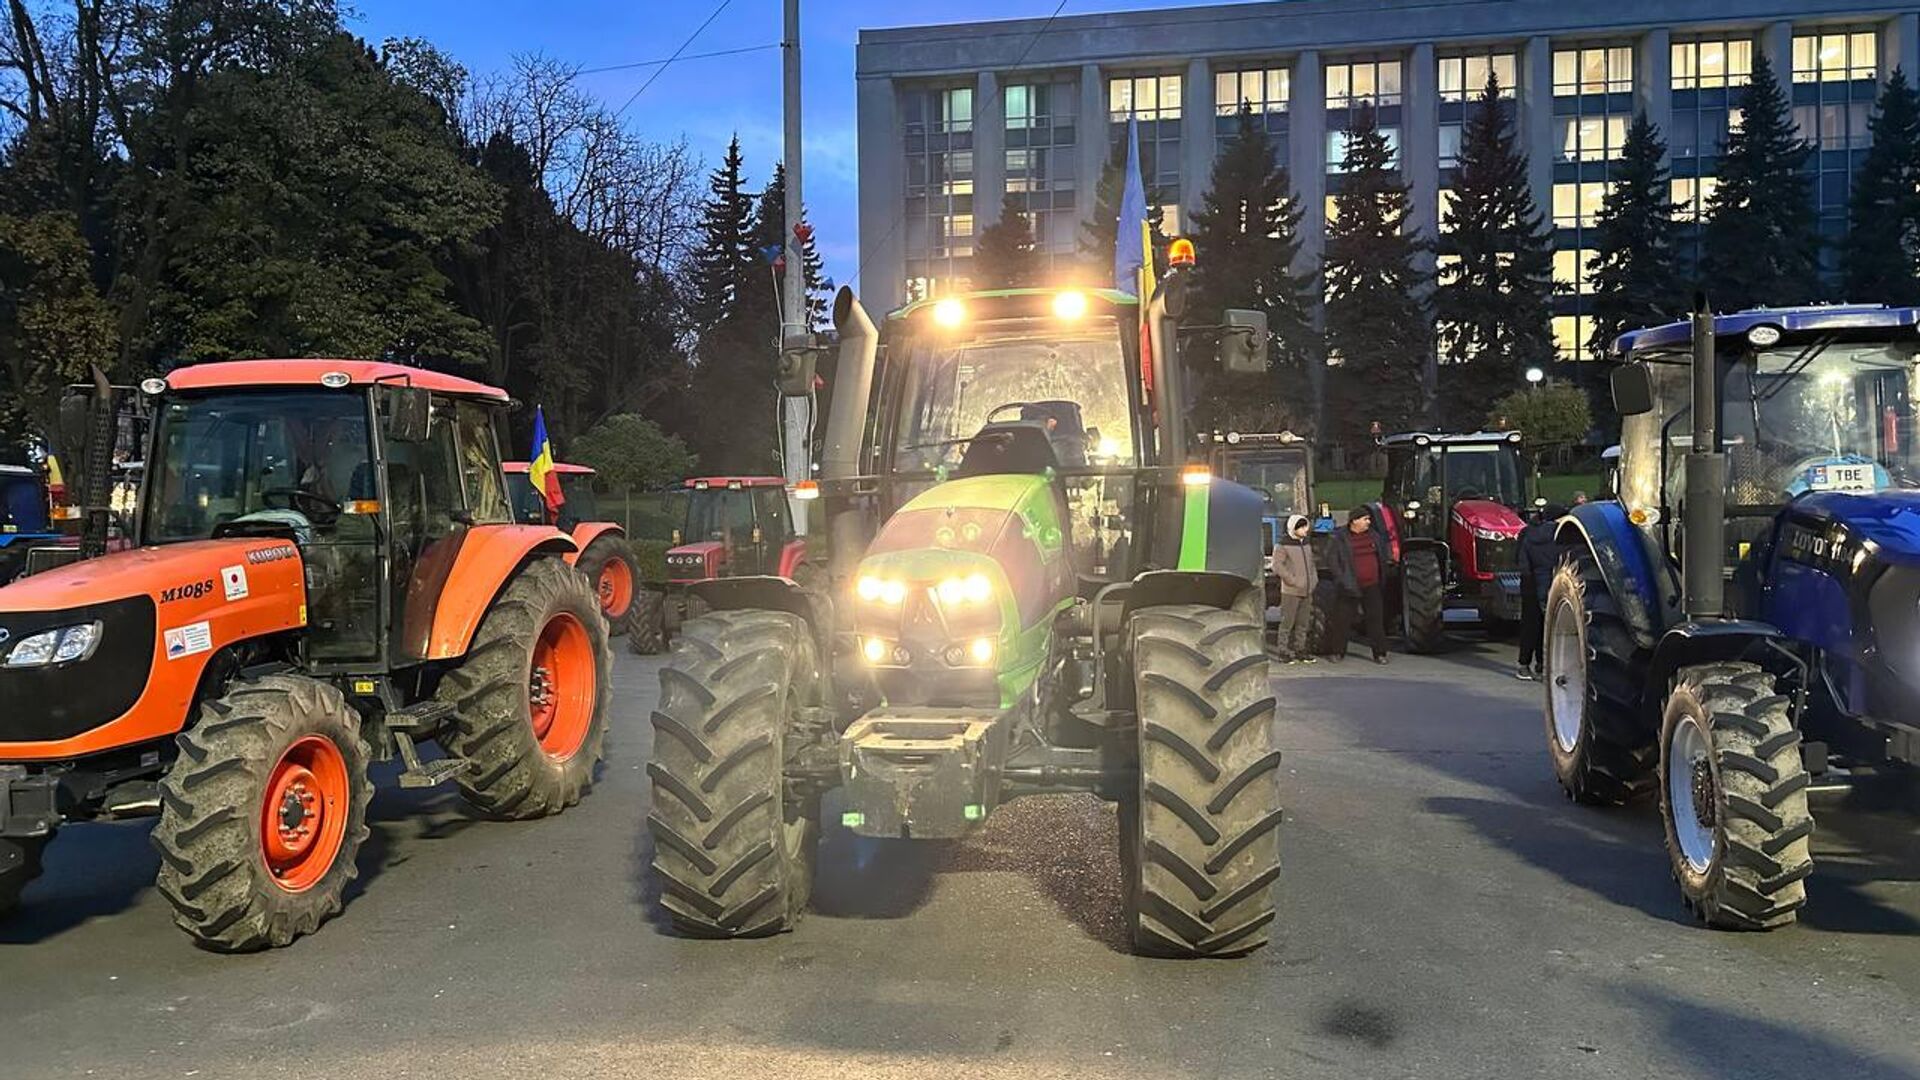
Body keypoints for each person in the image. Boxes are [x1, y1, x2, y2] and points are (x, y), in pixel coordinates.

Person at [1323, 505, 1393, 664]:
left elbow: (1382, 556)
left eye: (1368, 519)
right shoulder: (1339, 537)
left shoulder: (1374, 536)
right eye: (1365, 519)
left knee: (1375, 620)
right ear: (1354, 521)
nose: (1368, 522)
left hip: (1372, 585)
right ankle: (1337, 652)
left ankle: (1380, 653)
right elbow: (1332, 560)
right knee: (1342, 620)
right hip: (1349, 586)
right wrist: (1342, 579)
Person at [1515, 503, 1567, 680]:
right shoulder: (1559, 534)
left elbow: (1519, 558)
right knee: (1547, 624)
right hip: (1552, 580)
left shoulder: (1527, 532)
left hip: (1529, 582)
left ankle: (1523, 665)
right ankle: (1542, 664)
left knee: (1530, 624)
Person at [1271, 514, 1320, 664]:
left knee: (1303, 623)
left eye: (1306, 526)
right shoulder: (1282, 546)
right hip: (1291, 591)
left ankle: (1300, 649)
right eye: (1302, 527)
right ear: (1294, 528)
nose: (1306, 529)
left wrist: (1313, 580)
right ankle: (1283, 651)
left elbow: (1311, 564)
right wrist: (1292, 580)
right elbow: (1277, 566)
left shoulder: (1306, 544)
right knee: (1287, 622)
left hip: (1307, 590)